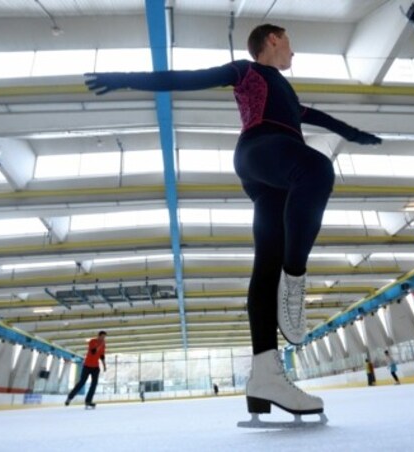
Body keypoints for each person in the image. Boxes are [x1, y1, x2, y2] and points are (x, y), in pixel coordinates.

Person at [85, 24, 381, 421]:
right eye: (289, 42)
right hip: (262, 150)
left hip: (265, 176)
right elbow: (186, 79)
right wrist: (124, 80)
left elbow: (320, 117)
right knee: (318, 169)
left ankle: (265, 378)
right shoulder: (248, 71)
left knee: (266, 263)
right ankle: (294, 280)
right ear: (272, 40)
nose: (293, 51)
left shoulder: (289, 95)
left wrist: (356, 134)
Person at [65, 331, 107, 409]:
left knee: (94, 384)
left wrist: (104, 365)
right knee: (82, 382)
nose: (103, 338)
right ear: (99, 336)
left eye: (104, 337)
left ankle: (88, 401)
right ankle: (70, 397)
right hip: (87, 366)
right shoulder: (92, 341)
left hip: (95, 367)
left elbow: (102, 355)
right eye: (102, 337)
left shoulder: (103, 345)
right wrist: (100, 345)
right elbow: (93, 352)